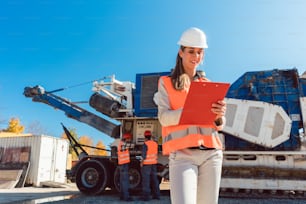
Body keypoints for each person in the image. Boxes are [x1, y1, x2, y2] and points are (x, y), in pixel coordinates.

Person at [156, 27, 227, 204]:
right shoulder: (166, 82)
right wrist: (189, 111)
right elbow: (164, 117)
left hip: (211, 154)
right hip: (182, 155)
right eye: (191, 51)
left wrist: (219, 115)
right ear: (181, 52)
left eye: (199, 52)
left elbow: (219, 125)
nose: (196, 56)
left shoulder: (208, 84)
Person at [139, 130, 161, 201]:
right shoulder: (155, 143)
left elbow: (144, 156)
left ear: (145, 136)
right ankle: (157, 195)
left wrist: (141, 163)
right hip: (154, 164)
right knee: (155, 180)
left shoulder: (145, 144)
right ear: (150, 136)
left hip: (146, 165)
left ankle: (146, 197)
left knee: (146, 181)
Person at [117, 132, 133, 202]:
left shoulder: (120, 144)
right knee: (125, 181)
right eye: (129, 138)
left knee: (122, 181)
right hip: (124, 164)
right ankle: (126, 197)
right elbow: (132, 146)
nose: (130, 140)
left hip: (121, 164)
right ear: (126, 138)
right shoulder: (124, 144)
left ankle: (122, 196)